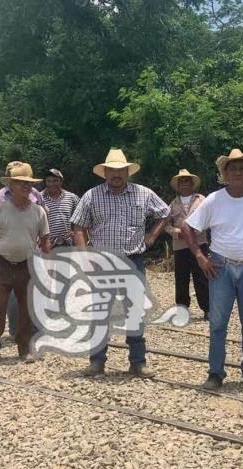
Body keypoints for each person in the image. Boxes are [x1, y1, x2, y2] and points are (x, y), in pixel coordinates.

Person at [181, 149, 243, 390]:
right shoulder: (214, 200)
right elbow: (187, 228)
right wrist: (199, 256)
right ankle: (215, 373)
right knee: (218, 323)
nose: (237, 172)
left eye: (242, 168)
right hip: (220, 267)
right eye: (232, 168)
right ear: (224, 173)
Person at [70, 148, 170, 378]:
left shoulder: (143, 194)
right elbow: (78, 227)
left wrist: (152, 236)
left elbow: (165, 213)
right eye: (112, 171)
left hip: (132, 260)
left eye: (121, 171)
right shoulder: (91, 196)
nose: (116, 175)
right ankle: (97, 362)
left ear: (128, 172)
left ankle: (137, 362)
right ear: (104, 173)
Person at [0, 163, 50, 363]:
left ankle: (24, 349)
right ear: (11, 185)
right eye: (20, 183)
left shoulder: (39, 211)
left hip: (27, 265)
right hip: (2, 263)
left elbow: (45, 240)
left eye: (28, 183)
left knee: (26, 310)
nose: (25, 187)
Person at [164, 169, 209, 319]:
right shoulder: (172, 204)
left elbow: (208, 218)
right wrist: (176, 232)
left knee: (202, 276)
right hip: (180, 245)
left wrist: (194, 230)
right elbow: (166, 224)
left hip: (199, 242)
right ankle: (182, 309)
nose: (184, 184)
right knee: (181, 278)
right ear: (178, 185)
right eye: (181, 181)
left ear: (192, 183)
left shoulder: (201, 200)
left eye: (187, 181)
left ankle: (208, 309)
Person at [41, 168, 80, 248]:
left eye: (55, 181)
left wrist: (75, 232)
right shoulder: (39, 198)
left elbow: (80, 218)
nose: (51, 184)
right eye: (49, 181)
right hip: (47, 245)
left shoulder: (72, 198)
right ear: (45, 182)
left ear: (61, 181)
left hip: (68, 244)